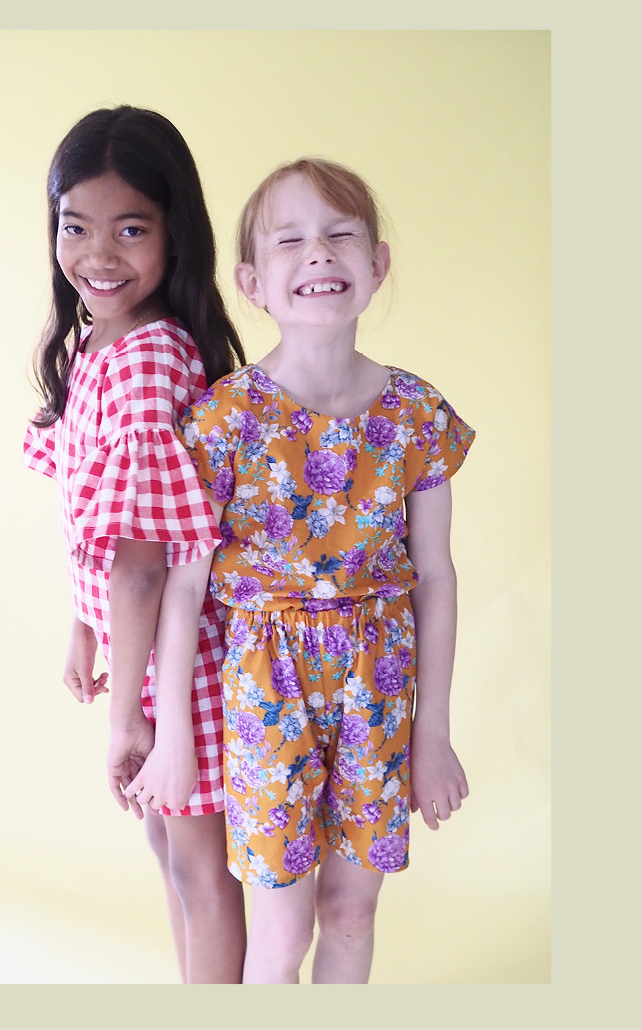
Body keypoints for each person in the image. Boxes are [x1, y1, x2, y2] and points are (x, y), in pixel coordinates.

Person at [124, 157, 475, 984]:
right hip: (264, 690)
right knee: (279, 936)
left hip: (377, 688)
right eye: (289, 241)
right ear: (251, 282)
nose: (317, 253)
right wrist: (172, 736)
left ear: (376, 264)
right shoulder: (220, 422)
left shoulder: (415, 415)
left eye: (339, 235)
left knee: (350, 913)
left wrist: (431, 734)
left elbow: (436, 575)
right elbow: (183, 586)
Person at [23, 105, 247, 983]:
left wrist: (127, 720)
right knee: (167, 844)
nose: (98, 255)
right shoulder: (97, 342)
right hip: (138, 645)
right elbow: (97, 520)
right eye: (74, 226)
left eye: (130, 229)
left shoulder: (150, 359)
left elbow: (145, 562)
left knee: (197, 862)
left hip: (177, 656)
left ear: (174, 233)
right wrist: (83, 629)